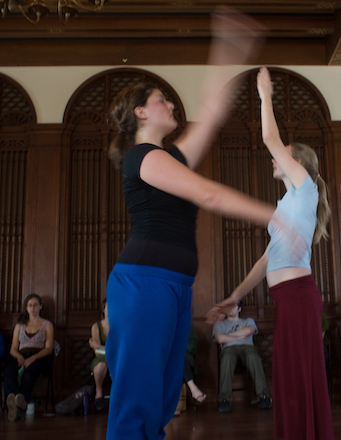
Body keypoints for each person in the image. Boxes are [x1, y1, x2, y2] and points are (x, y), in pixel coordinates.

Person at [103, 10, 292, 440]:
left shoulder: (168, 156)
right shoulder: (142, 157)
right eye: (161, 100)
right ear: (140, 112)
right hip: (143, 282)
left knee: (165, 395)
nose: (171, 105)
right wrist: (273, 214)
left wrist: (227, 48)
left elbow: (210, 115)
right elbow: (207, 194)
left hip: (173, 284)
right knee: (137, 399)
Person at [206, 67, 333, 440]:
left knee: (298, 374)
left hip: (298, 296)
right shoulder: (284, 207)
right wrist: (234, 297)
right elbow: (266, 260)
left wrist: (264, 95)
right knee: (290, 376)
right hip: (286, 298)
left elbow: (268, 136)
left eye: (283, 156)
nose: (274, 159)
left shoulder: (305, 189)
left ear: (300, 166)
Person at [3, 293, 54, 422]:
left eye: (35, 305)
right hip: (21, 355)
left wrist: (34, 358)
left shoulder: (47, 325)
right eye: (30, 305)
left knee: (28, 374)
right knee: (9, 371)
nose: (32, 308)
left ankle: (20, 407)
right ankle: (16, 401)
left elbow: (48, 348)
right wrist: (19, 357)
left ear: (40, 307)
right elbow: (13, 348)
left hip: (39, 357)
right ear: (26, 308)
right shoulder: (20, 325)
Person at [212, 303, 271, 413]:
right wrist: (240, 335)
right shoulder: (219, 324)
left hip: (247, 347)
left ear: (239, 309)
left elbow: (249, 331)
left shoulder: (247, 321)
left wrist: (228, 336)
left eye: (233, 306)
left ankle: (264, 396)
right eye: (227, 307)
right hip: (229, 349)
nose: (230, 309)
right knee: (227, 359)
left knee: (253, 357)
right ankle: (224, 400)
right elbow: (220, 339)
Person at [88, 298, 109, 411]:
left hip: (118, 358)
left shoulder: (121, 326)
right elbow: (97, 352)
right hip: (101, 358)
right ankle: (99, 391)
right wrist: (100, 349)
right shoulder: (96, 326)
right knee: (101, 364)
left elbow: (121, 349)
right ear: (103, 310)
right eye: (108, 307)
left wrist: (99, 347)